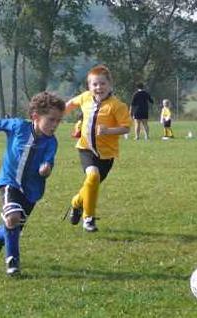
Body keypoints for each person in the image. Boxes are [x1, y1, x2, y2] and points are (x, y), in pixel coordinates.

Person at [0, 91, 65, 276]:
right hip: (9, 182)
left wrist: (46, 168)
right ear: (35, 117)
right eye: (51, 120)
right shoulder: (19, 126)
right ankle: (13, 262)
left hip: (31, 190)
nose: (55, 125)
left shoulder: (51, 142)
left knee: (14, 227)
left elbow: (49, 161)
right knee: (12, 217)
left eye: (58, 121)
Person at [65, 65, 131, 232]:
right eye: (94, 84)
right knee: (93, 177)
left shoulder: (117, 105)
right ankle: (89, 218)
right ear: (89, 86)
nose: (98, 87)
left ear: (110, 85)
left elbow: (126, 128)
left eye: (102, 84)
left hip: (106, 155)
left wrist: (109, 131)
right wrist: (54, 114)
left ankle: (76, 202)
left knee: (91, 184)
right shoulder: (86, 97)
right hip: (86, 149)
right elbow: (70, 105)